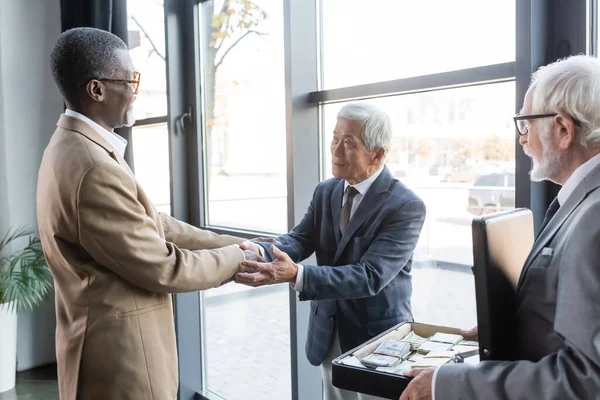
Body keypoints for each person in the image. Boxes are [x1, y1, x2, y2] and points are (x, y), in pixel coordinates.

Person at [37, 27, 260, 400]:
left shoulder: (67, 147)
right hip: (122, 358)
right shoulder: (92, 167)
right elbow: (163, 266)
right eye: (131, 80)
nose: (135, 91)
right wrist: (238, 259)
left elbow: (153, 224)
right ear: (97, 90)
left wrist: (240, 242)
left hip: (95, 341)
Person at [401, 54, 600, 400]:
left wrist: (445, 384)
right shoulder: (582, 203)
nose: (522, 139)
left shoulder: (593, 217)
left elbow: (586, 380)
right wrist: (507, 332)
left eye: (526, 124)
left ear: (564, 130)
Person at [236, 103, 426, 400]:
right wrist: (261, 251)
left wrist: (298, 275)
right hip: (328, 331)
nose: (336, 149)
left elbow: (370, 276)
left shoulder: (405, 205)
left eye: (349, 142)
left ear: (377, 155)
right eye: (335, 137)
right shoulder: (327, 190)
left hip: (378, 340)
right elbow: (300, 238)